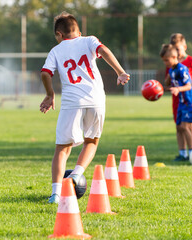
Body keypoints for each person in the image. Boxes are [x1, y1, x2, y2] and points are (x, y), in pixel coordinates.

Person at [40, 12, 130, 204]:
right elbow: (104, 50)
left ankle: (56, 194)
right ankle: (76, 174)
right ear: (78, 31)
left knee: (62, 149)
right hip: (96, 99)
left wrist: (50, 94)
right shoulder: (89, 40)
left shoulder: (55, 50)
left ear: (59, 35)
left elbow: (45, 73)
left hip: (72, 102)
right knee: (91, 141)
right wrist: (120, 72)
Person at [165, 33, 192, 161]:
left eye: (178, 49)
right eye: (174, 50)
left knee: (188, 127)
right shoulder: (171, 63)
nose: (177, 53)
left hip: (188, 98)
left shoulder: (191, 61)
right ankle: (182, 153)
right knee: (179, 126)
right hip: (176, 99)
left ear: (185, 46)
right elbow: (168, 80)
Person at [160, 44, 192, 162]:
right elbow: (168, 83)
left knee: (185, 127)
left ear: (174, 57)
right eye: (163, 61)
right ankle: (182, 154)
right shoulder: (172, 70)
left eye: (166, 60)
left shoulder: (182, 69)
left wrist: (178, 89)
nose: (165, 63)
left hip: (189, 102)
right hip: (181, 103)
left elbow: (189, 85)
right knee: (179, 127)